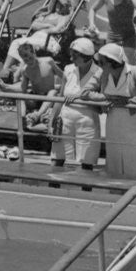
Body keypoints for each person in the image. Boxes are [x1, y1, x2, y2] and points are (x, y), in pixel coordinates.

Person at [81, 43, 136, 178]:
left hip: (133, 124)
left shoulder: (135, 72)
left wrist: (130, 101)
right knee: (115, 160)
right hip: (113, 123)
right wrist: (106, 97)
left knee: (135, 161)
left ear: (112, 62)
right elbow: (85, 92)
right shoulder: (102, 73)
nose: (98, 64)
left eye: (101, 62)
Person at [51, 37, 101, 171]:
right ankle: (53, 188)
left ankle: (85, 191)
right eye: (71, 55)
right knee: (58, 157)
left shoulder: (99, 73)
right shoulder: (68, 69)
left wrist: (81, 97)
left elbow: (104, 99)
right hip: (65, 118)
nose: (71, 59)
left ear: (86, 57)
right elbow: (60, 97)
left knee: (87, 161)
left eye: (75, 56)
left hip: (87, 120)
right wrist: (51, 120)